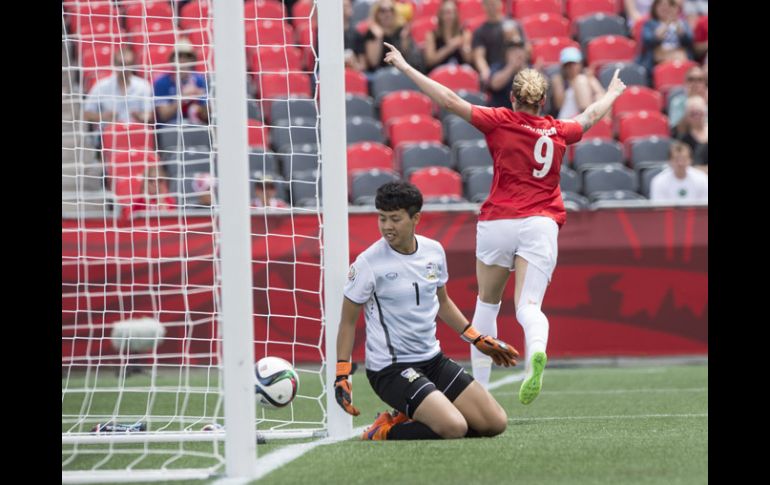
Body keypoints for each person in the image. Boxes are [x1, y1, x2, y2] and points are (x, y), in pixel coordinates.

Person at [381, 42, 627, 401]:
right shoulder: (558, 130)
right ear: (543, 103)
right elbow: (590, 115)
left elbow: (449, 100)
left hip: (499, 222)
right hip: (540, 222)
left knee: (486, 303)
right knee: (529, 307)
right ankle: (536, 353)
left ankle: (480, 391)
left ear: (513, 98)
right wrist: (614, 93)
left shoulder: (501, 121)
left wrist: (405, 66)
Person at [334, 181, 519, 440]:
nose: (387, 226)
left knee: (495, 423)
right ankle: (383, 429)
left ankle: (414, 412)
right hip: (391, 370)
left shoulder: (434, 251)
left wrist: (477, 339)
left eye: (395, 219)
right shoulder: (368, 263)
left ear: (416, 218)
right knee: (454, 428)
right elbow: (347, 322)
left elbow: (442, 303)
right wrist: (342, 372)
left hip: (433, 360)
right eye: (382, 218)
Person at [83, 47, 154, 149]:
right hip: (109, 134)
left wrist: (139, 116)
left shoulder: (143, 86)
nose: (125, 69)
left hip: (136, 134)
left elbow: (148, 115)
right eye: (121, 64)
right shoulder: (101, 86)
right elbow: (87, 114)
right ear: (115, 65)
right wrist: (104, 116)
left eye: (128, 64)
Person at [472, 0, 527, 90]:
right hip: (495, 70)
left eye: (494, 3)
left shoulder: (514, 25)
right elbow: (479, 57)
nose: (491, 7)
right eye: (488, 4)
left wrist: (514, 37)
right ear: (483, 6)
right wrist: (486, 72)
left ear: (500, 4)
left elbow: (526, 50)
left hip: (516, 68)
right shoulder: (480, 31)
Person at [153, 40, 209, 126]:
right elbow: (163, 116)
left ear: (193, 60)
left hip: (197, 127)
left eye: (187, 56)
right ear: (172, 59)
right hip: (170, 129)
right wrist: (182, 97)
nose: (183, 60)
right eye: (179, 56)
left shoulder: (200, 80)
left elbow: (207, 116)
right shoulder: (161, 82)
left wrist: (201, 99)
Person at [361, 0, 419, 74]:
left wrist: (404, 39)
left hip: (400, 70)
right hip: (379, 73)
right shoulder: (372, 32)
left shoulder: (401, 30)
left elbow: (406, 57)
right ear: (376, 13)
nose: (387, 14)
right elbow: (373, 63)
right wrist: (378, 38)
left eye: (391, 10)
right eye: (383, 11)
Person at [638, 0, 694, 74]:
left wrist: (676, 23)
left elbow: (689, 40)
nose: (664, 8)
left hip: (680, 58)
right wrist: (666, 23)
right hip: (658, 60)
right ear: (655, 8)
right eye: (660, 6)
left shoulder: (682, 23)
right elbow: (648, 41)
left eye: (668, 5)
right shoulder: (649, 24)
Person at [550, 47, 606, 120]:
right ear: (563, 67)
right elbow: (559, 105)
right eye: (568, 64)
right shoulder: (559, 80)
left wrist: (591, 79)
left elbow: (601, 96)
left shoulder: (586, 78)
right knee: (580, 81)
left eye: (574, 64)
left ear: (580, 64)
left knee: (583, 82)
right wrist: (571, 83)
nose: (571, 67)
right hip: (566, 119)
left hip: (587, 115)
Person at [422, 0, 473, 70]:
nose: (449, 16)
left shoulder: (465, 33)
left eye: (452, 12)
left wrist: (462, 47)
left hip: (460, 72)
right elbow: (430, 61)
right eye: (446, 12)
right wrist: (449, 47)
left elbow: (469, 59)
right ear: (440, 14)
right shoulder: (431, 35)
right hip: (438, 73)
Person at [486, 41, 528, 109]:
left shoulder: (530, 70)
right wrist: (511, 67)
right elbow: (494, 85)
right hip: (499, 113)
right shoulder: (498, 67)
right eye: (513, 51)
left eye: (520, 50)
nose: (518, 54)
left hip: (522, 114)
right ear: (506, 54)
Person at [671, 95, 707, 161]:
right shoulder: (682, 136)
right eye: (693, 114)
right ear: (686, 115)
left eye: (699, 112)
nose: (697, 117)